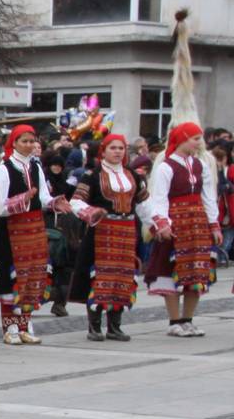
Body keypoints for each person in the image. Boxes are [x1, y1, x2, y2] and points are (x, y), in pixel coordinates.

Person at [0, 124, 63, 345]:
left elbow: (45, 197)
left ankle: (24, 325)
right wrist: (21, 200)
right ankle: (10, 328)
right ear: (14, 143)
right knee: (11, 279)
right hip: (12, 230)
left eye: (32, 141)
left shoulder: (36, 167)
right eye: (24, 141)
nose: (29, 145)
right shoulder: (5, 169)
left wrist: (56, 203)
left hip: (34, 229)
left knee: (31, 277)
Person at [143, 122, 220, 337]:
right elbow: (159, 198)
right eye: (195, 139)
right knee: (170, 272)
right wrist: (163, 223)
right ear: (183, 139)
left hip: (197, 224)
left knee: (197, 274)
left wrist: (213, 224)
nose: (199, 143)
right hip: (176, 225)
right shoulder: (166, 167)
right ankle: (174, 321)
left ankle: (188, 320)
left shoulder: (199, 165)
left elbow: (208, 197)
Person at [70, 132, 144, 342]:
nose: (118, 152)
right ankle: (94, 326)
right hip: (102, 231)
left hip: (126, 232)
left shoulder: (133, 175)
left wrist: (159, 222)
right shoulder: (92, 175)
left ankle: (115, 326)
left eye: (121, 148)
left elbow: (144, 202)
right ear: (104, 150)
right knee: (100, 275)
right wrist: (91, 212)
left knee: (122, 276)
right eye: (113, 148)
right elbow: (76, 201)